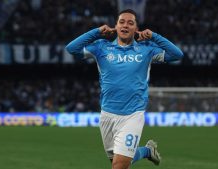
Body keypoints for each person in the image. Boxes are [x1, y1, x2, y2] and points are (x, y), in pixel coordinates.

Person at [66, 9, 184, 169]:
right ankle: (147, 151)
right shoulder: (102, 47)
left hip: (133, 114)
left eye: (130, 23)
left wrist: (154, 36)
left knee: (119, 165)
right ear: (116, 26)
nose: (125, 25)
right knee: (118, 161)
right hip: (107, 114)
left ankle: (145, 152)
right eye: (122, 22)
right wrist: (97, 32)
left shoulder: (146, 49)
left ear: (136, 28)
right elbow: (71, 48)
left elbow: (177, 54)